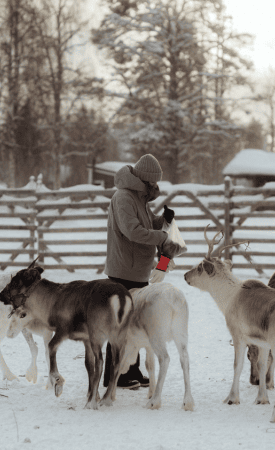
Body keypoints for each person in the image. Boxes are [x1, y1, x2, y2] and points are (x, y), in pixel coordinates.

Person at [102, 153, 181, 389]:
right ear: (144, 179)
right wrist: (162, 236)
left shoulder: (138, 198)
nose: (155, 185)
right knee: (120, 324)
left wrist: (161, 220)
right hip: (123, 270)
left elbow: (145, 224)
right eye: (153, 181)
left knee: (134, 323)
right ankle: (115, 374)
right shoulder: (123, 197)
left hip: (138, 270)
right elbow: (132, 230)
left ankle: (131, 370)